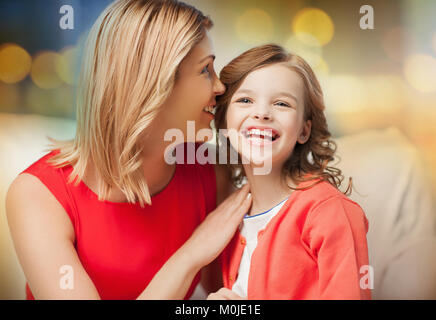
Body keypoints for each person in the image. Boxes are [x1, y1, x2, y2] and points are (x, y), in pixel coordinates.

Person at [5, 0, 252, 300]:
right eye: (205, 70)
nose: (220, 87)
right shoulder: (38, 194)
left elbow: (229, 295)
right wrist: (191, 255)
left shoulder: (212, 174)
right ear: (154, 84)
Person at [209, 44, 371, 300]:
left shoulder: (330, 213)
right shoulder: (228, 215)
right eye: (245, 100)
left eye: (282, 103)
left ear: (304, 131)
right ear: (224, 121)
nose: (262, 113)